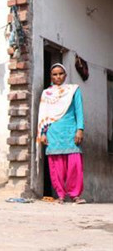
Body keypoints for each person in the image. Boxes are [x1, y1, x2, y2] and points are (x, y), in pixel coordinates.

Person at [37, 63, 86, 204]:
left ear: (65, 75)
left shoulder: (73, 90)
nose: (58, 77)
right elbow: (44, 114)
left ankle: (75, 195)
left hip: (71, 131)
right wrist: (43, 133)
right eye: (54, 74)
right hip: (53, 132)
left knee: (75, 165)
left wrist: (80, 129)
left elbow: (79, 110)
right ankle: (60, 195)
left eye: (60, 74)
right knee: (56, 166)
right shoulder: (47, 93)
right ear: (51, 77)